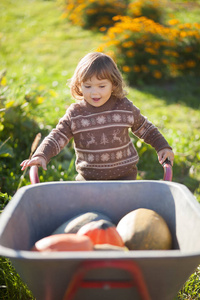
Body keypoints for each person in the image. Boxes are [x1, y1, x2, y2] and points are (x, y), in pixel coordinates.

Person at [21, 52, 174, 180]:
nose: (94, 92)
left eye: (101, 86)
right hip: (88, 182)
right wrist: (41, 155)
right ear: (78, 85)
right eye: (87, 86)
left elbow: (146, 129)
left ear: (113, 84)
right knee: (91, 216)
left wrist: (162, 146)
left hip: (125, 179)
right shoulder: (76, 114)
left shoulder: (124, 107)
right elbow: (57, 136)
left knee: (123, 214)